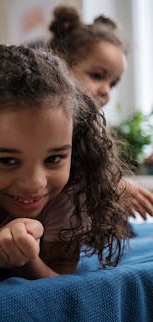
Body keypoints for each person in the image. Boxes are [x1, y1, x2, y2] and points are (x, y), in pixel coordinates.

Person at [0, 44, 131, 282]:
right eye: (8, 160)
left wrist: (26, 262)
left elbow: (61, 283)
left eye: (54, 159)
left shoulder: (72, 189)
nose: (34, 183)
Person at [47, 5, 153, 220]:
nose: (106, 91)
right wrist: (111, 185)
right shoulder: (46, 122)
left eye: (113, 83)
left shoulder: (90, 127)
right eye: (97, 76)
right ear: (62, 65)